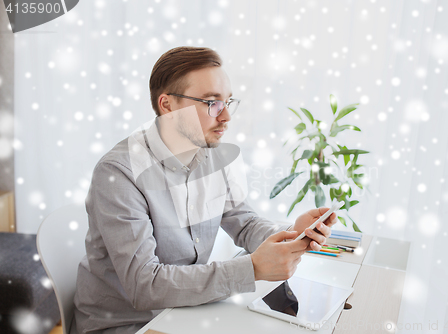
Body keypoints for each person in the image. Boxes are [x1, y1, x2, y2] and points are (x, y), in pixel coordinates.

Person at [70, 46, 337, 334]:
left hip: (184, 312)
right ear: (167, 105)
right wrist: (253, 269)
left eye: (227, 102)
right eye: (211, 103)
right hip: (130, 325)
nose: (226, 118)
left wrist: (290, 235)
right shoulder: (119, 172)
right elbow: (144, 285)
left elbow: (244, 223)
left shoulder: (211, 155)